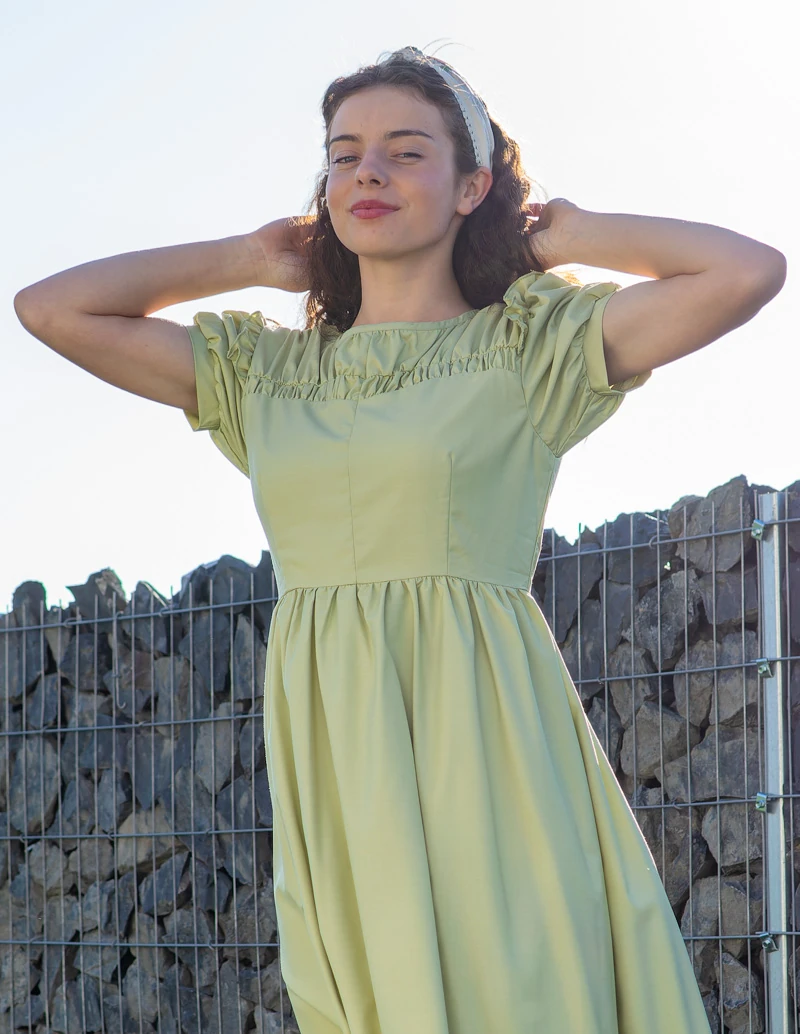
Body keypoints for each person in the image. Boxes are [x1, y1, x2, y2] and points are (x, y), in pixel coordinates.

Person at [14, 44, 785, 1034]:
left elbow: (745, 271)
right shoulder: (268, 376)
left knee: (516, 982)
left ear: (472, 186)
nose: (367, 172)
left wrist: (568, 235)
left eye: (405, 151)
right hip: (332, 736)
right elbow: (51, 308)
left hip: (483, 725)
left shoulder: (526, 348)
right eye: (344, 155)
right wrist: (252, 257)